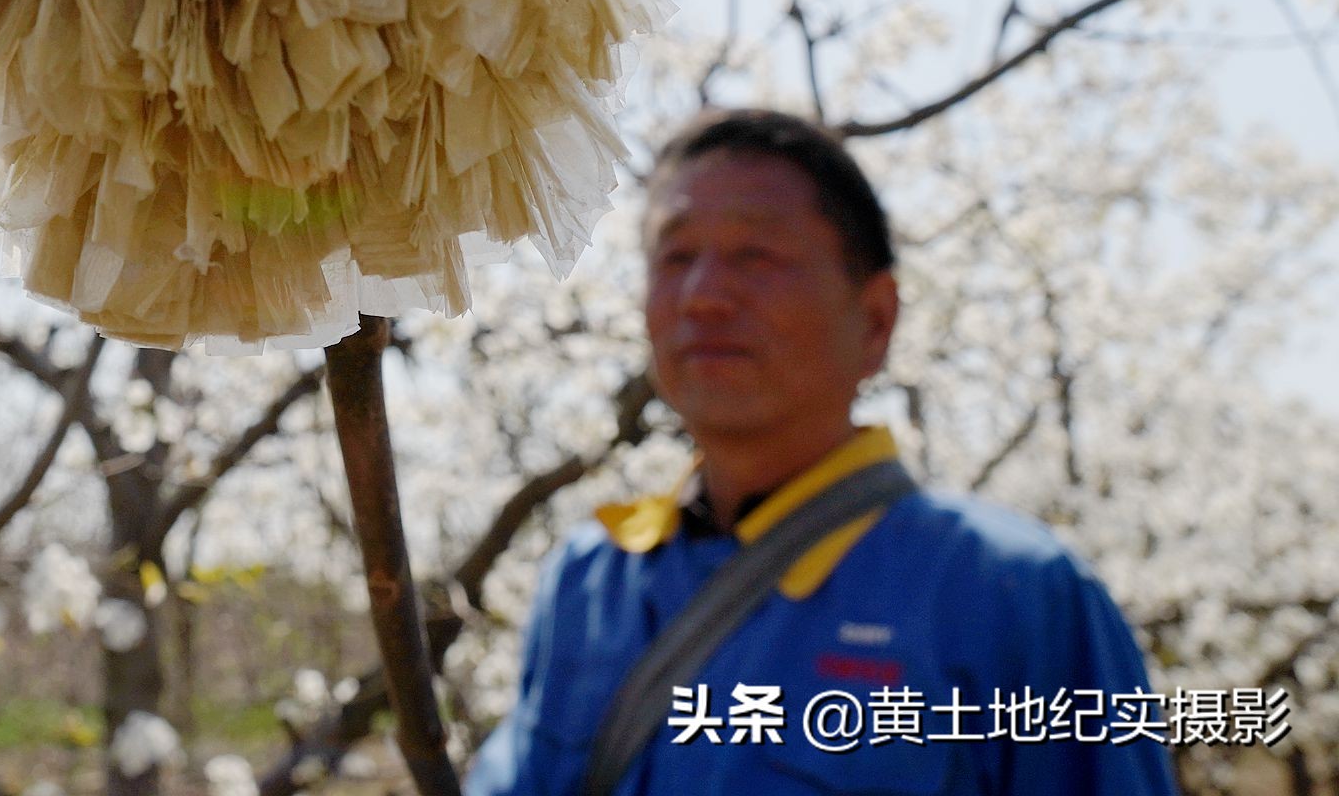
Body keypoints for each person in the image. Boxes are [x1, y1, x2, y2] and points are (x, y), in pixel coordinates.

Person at [464, 107, 1179, 796]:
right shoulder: (589, 583)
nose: (703, 297)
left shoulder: (1017, 596)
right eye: (675, 255)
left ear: (874, 319)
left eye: (757, 254)